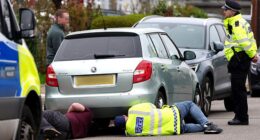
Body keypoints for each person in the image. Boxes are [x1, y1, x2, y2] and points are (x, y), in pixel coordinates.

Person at [221, 0, 258, 125]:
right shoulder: (239, 22)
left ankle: (241, 117)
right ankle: (240, 116)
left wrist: (252, 55)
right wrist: (253, 54)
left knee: (238, 90)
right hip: (239, 59)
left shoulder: (236, 24)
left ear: (232, 11)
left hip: (239, 59)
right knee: (239, 89)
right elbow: (251, 39)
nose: (223, 11)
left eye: (225, 10)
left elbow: (244, 42)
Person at [113, 101, 222, 136]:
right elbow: (151, 106)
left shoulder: (131, 132)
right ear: (124, 116)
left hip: (173, 129)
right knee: (189, 104)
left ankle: (206, 128)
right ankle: (206, 123)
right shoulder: (133, 110)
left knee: (185, 128)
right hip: (172, 114)